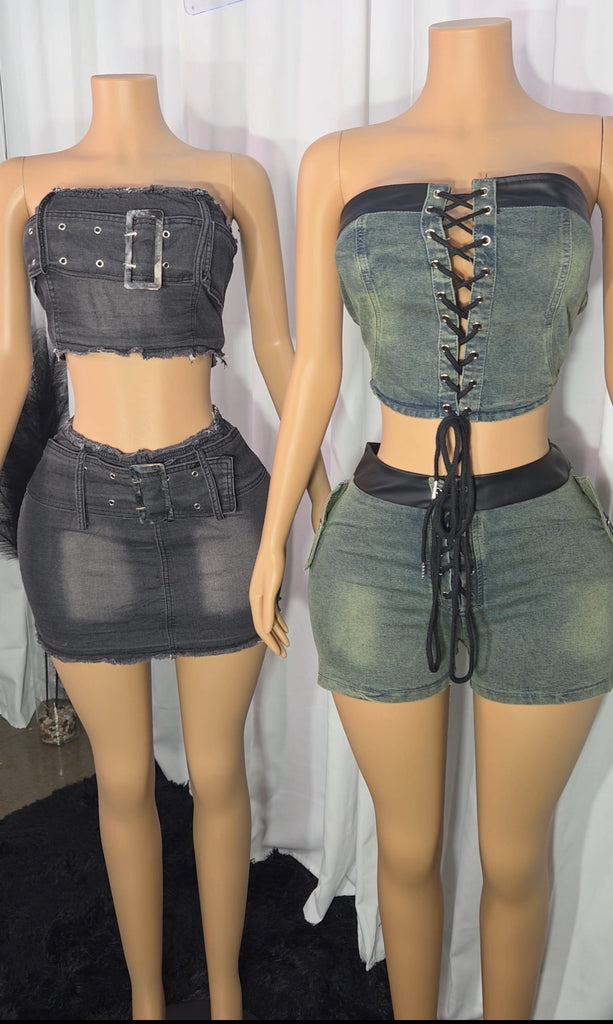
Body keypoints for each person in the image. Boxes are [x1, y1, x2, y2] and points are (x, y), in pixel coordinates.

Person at [249, 16, 613, 1021]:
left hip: (549, 548)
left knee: (514, 858)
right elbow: (314, 371)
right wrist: (274, 534)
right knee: (405, 851)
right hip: (378, 544)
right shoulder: (335, 160)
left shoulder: (595, 146)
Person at [0, 72, 328, 1021]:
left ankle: (224, 995)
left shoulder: (233, 176)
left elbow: (279, 352)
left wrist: (323, 493)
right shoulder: (18, 181)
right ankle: (147, 1000)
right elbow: (11, 360)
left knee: (218, 772)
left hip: (219, 508)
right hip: (79, 516)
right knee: (122, 780)